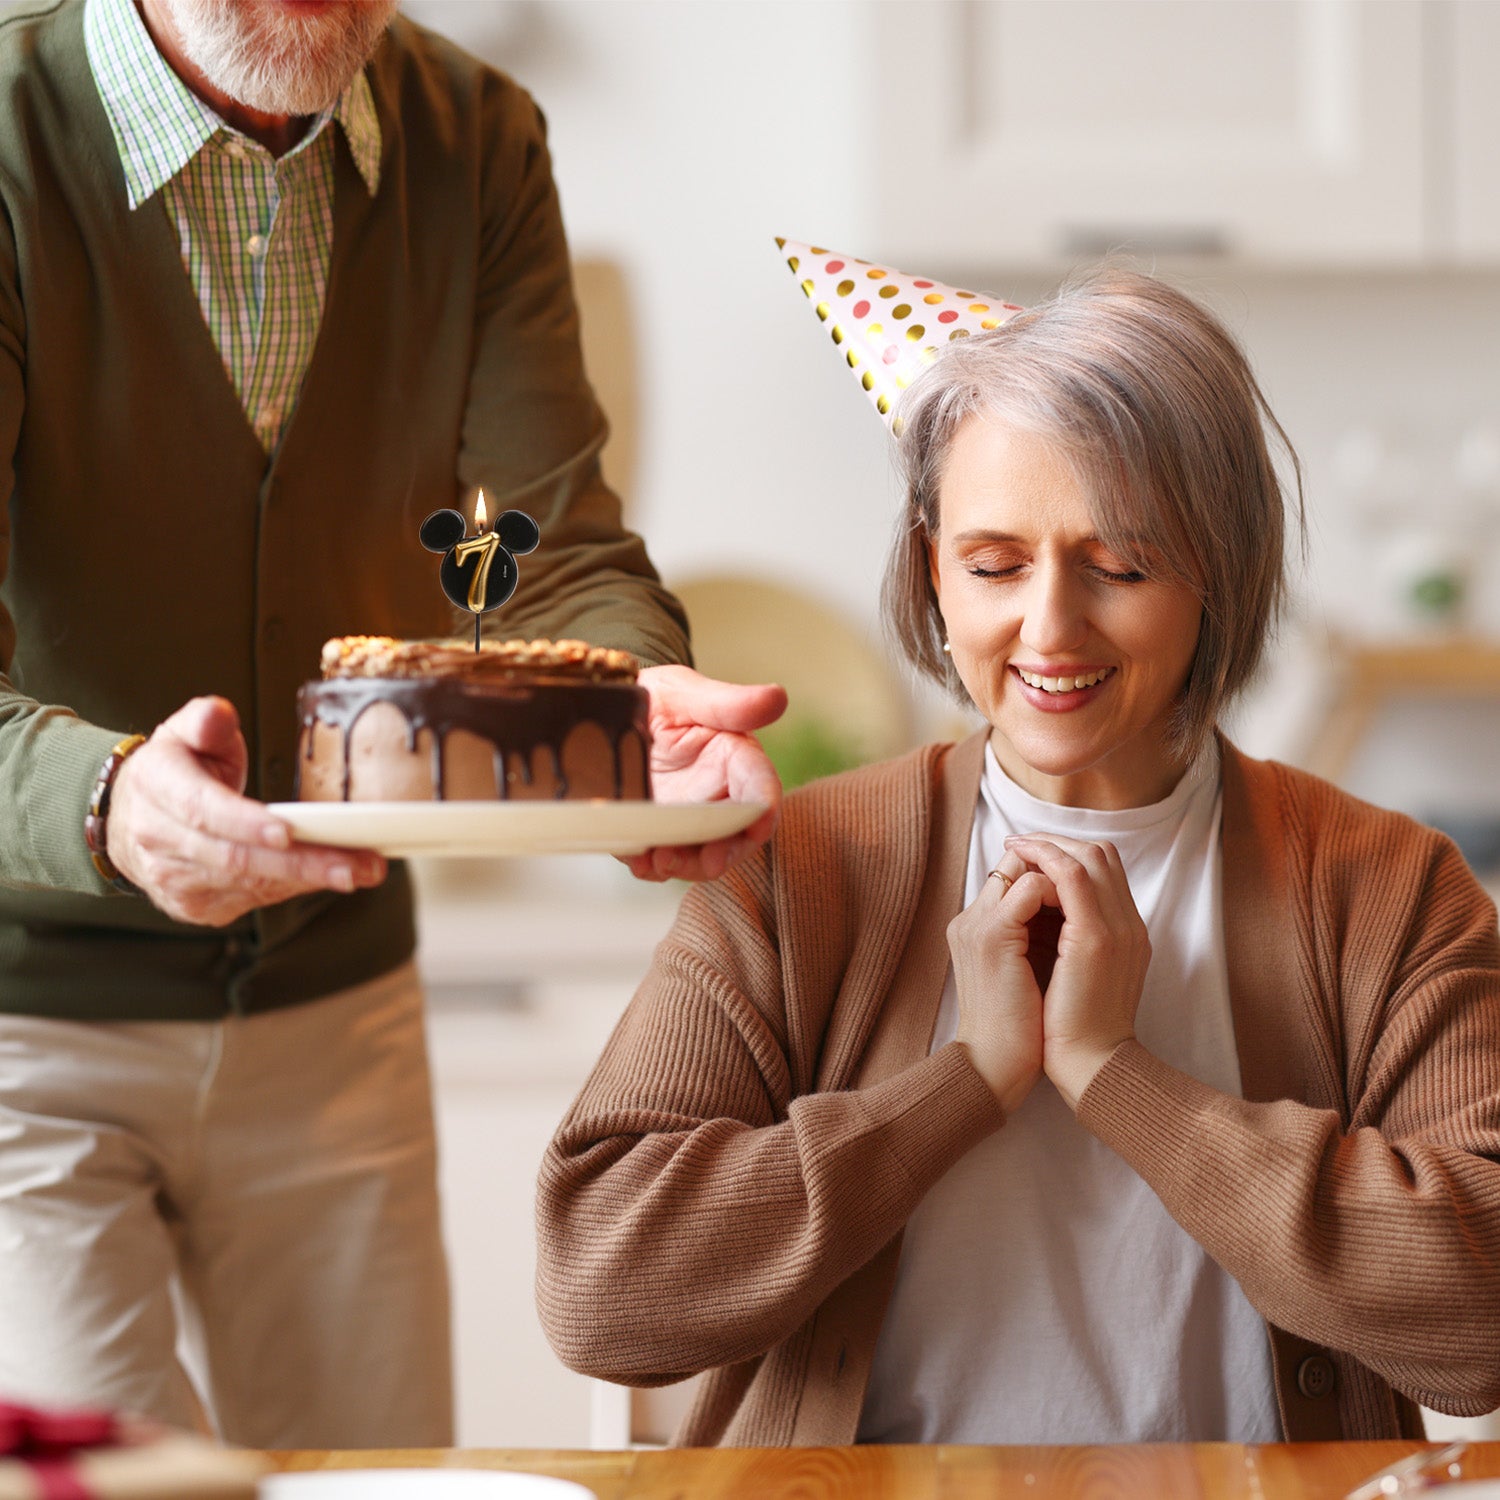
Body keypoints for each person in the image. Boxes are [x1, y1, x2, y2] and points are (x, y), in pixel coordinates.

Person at [536, 269, 1500, 1447]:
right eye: (994, 565)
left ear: (1221, 576)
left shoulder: (1389, 889)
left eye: (1124, 565)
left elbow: (1481, 1321)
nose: (1050, 629)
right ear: (932, 568)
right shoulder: (801, 871)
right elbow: (600, 1290)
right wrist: (965, 1083)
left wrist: (1113, 1073)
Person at [0, 0, 783, 1450]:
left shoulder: (473, 142)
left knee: (378, 1492)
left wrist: (629, 709)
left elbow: (528, 551)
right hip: (28, 1030)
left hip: (334, 1007)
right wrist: (105, 798)